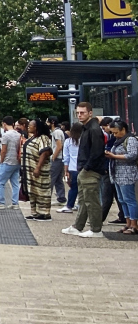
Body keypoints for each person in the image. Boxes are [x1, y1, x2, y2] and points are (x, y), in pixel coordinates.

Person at [65, 101, 106, 238]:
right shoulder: (88, 128)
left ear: (90, 113)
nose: (79, 115)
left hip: (90, 170)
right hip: (86, 168)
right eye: (77, 113)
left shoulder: (93, 129)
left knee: (91, 200)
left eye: (82, 113)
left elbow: (97, 151)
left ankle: (96, 229)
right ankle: (78, 226)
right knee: (83, 199)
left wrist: (86, 167)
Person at [104, 120, 138, 234]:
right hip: (117, 174)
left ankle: (134, 225)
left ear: (123, 129)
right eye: (112, 133)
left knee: (129, 200)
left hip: (127, 174)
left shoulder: (131, 139)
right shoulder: (118, 141)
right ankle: (127, 223)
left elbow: (132, 155)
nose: (114, 135)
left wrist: (114, 156)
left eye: (116, 132)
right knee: (122, 200)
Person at [21, 119, 53, 221]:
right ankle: (35, 213)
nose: (28, 127)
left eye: (31, 125)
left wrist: (38, 168)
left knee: (41, 190)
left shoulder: (43, 138)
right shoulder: (33, 137)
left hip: (39, 170)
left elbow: (45, 153)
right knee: (33, 191)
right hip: (29, 170)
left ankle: (44, 213)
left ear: (36, 127)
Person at [0, 117, 21, 209]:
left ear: (4, 124)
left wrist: (1, 161)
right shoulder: (18, 134)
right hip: (17, 162)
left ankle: (1, 203)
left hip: (7, 161)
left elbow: (3, 150)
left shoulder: (6, 135)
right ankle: (15, 203)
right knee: (15, 183)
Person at [57, 122, 81, 214]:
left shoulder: (68, 141)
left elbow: (66, 157)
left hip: (72, 167)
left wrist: (65, 170)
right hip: (82, 167)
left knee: (73, 187)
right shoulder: (83, 140)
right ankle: (80, 204)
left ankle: (69, 205)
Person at [49, 117, 67, 205]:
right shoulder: (59, 131)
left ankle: (47, 197)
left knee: (51, 178)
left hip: (57, 158)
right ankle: (61, 198)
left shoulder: (56, 132)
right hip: (60, 159)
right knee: (58, 179)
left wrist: (53, 157)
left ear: (52, 122)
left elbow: (59, 146)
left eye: (47, 121)